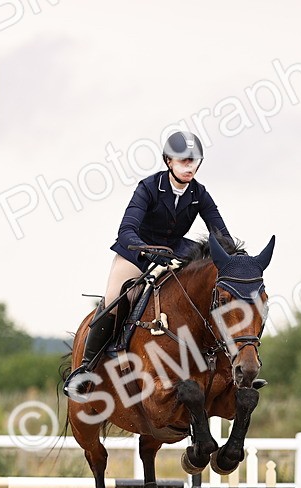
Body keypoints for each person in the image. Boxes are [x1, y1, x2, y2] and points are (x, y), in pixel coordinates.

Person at [65, 131, 233, 398]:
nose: (190, 167)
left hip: (176, 249)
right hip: (137, 250)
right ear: (168, 161)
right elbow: (126, 230)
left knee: (210, 289)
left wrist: (233, 260)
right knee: (116, 298)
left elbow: (222, 236)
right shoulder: (149, 187)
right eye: (183, 161)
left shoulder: (200, 194)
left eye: (194, 161)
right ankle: (86, 369)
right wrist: (147, 253)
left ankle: (228, 366)